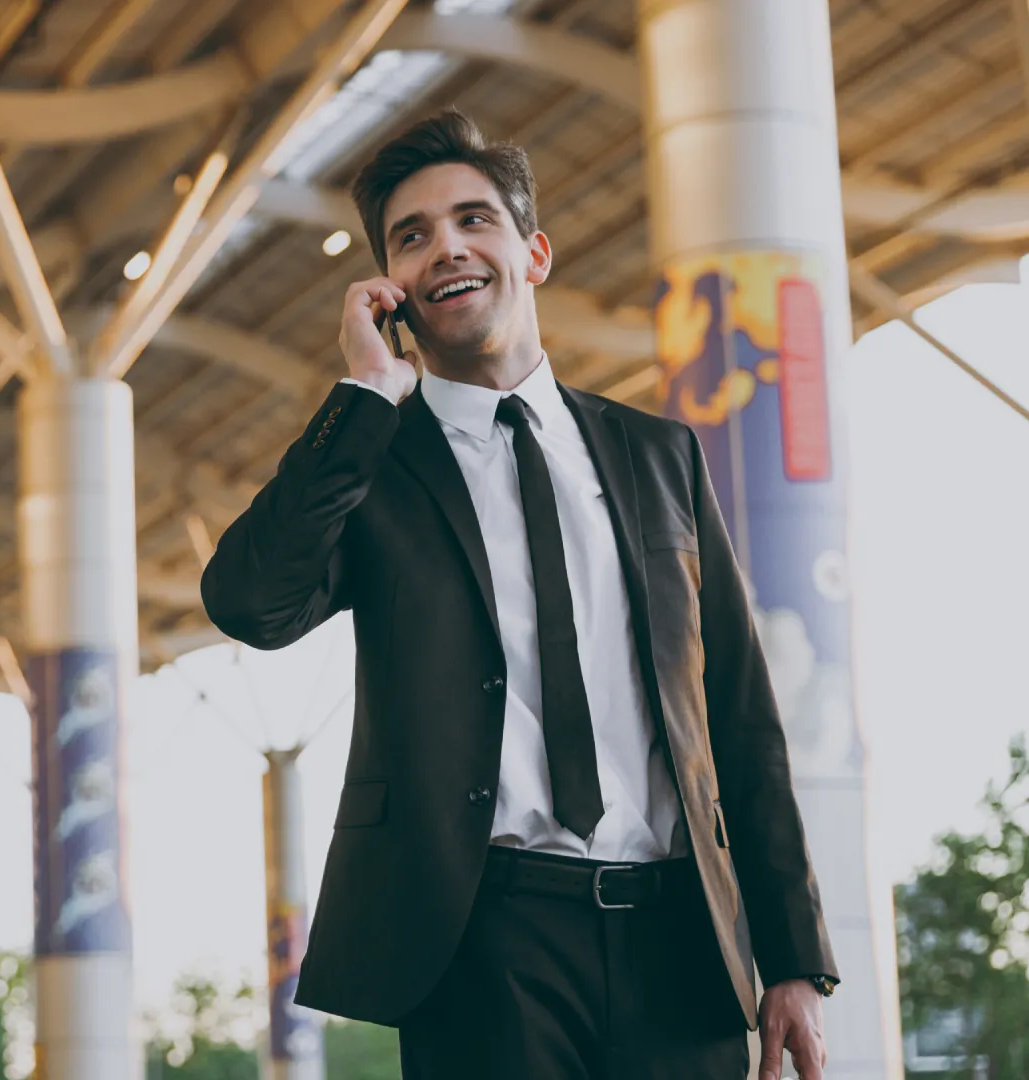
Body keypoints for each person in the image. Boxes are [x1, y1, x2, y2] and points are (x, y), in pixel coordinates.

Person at [199, 109, 836, 1079]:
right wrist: (364, 398)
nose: (445, 247)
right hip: (483, 946)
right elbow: (250, 600)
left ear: (533, 252)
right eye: (411, 237)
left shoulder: (658, 456)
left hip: (681, 943)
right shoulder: (376, 472)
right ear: (392, 293)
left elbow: (741, 718)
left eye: (472, 220)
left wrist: (792, 958)